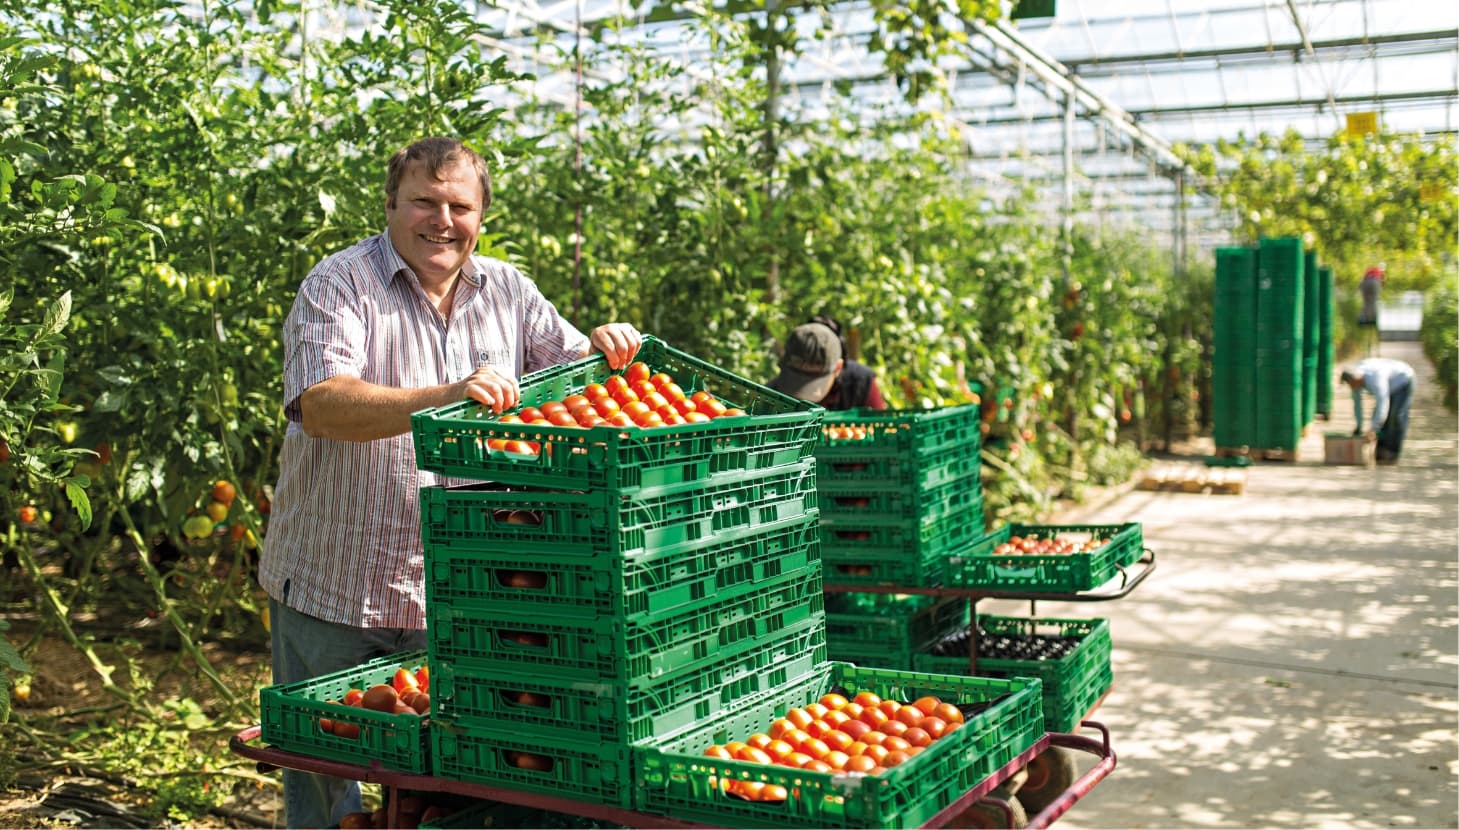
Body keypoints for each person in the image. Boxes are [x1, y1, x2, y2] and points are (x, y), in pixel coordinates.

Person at [259, 137, 641, 828]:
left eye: (459, 206)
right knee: (325, 773)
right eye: (423, 203)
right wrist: (446, 397)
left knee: (443, 778)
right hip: (335, 581)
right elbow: (321, 406)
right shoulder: (341, 283)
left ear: (481, 215)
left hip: (456, 594)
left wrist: (607, 347)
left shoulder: (509, 290)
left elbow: (578, 375)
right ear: (390, 207)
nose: (442, 220)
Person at [767, 318, 886, 411]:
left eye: (813, 380)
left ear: (838, 368)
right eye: (797, 379)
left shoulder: (860, 382)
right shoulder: (771, 393)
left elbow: (882, 425)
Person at [1340, 357, 1416, 465]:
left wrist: (1373, 429)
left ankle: (1392, 452)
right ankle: (1381, 451)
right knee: (1379, 418)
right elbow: (1357, 405)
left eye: (1353, 384)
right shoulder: (1355, 379)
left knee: (1396, 416)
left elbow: (1383, 404)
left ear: (1357, 378)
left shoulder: (1375, 378)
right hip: (1390, 383)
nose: (1353, 388)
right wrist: (1359, 427)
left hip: (1403, 380)